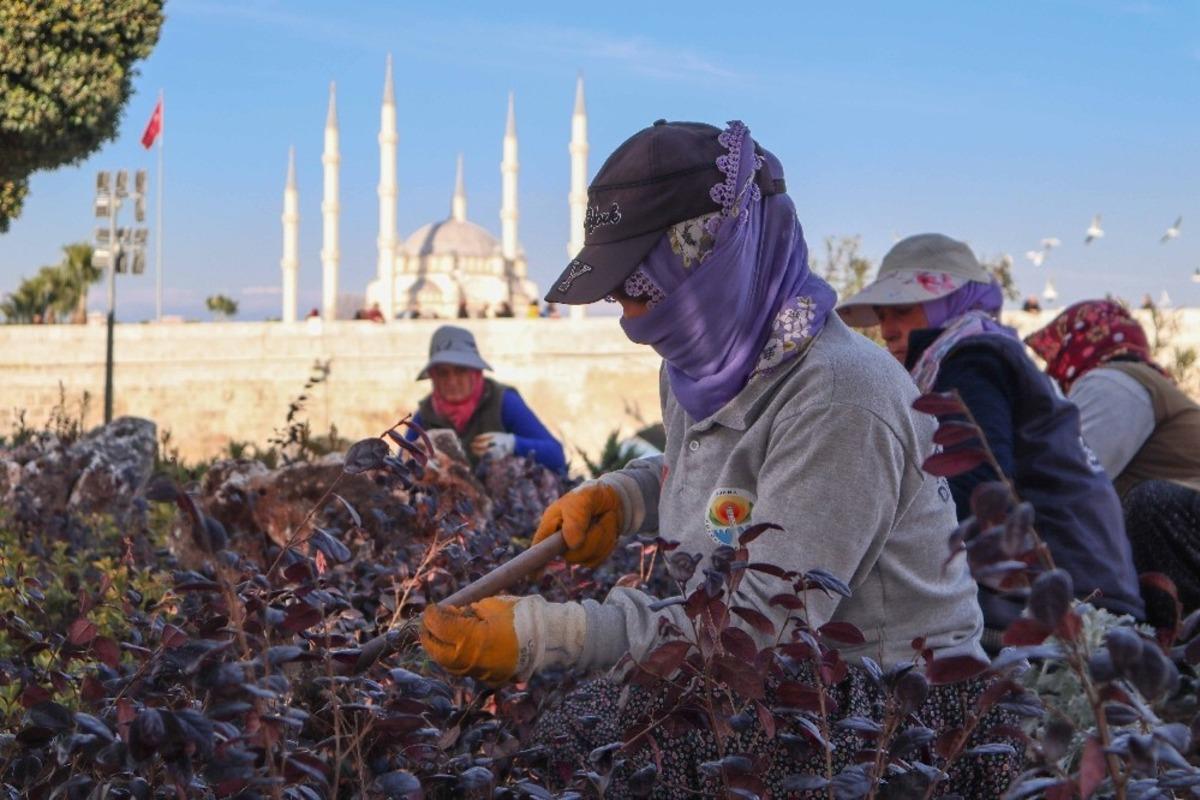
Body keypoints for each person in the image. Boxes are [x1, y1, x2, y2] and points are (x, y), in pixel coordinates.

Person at [421, 121, 1020, 797]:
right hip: (772, 663)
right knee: (566, 740)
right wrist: (627, 495)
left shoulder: (843, 397)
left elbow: (758, 632)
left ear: (706, 258)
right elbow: (740, 467)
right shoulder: (706, 358)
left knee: (627, 754)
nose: (627, 316)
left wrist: (546, 634)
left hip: (881, 709)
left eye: (636, 286)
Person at [838, 234, 1144, 639]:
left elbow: (976, 486)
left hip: (1069, 600)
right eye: (882, 315)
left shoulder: (974, 360)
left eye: (903, 310)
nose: (888, 330)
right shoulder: (990, 351)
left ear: (950, 303)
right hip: (1090, 582)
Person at [1027, 300, 1200, 625]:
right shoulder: (1139, 380)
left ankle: (1165, 641)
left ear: (1074, 344)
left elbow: (1063, 484)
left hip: (1185, 524)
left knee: (1148, 505)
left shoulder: (1114, 382)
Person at [408, 325, 565, 472]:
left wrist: (513, 444)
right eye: (443, 373)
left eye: (460, 371)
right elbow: (402, 464)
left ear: (475, 373)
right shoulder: (425, 414)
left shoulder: (504, 402)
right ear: (433, 377)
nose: (452, 381)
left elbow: (556, 455)